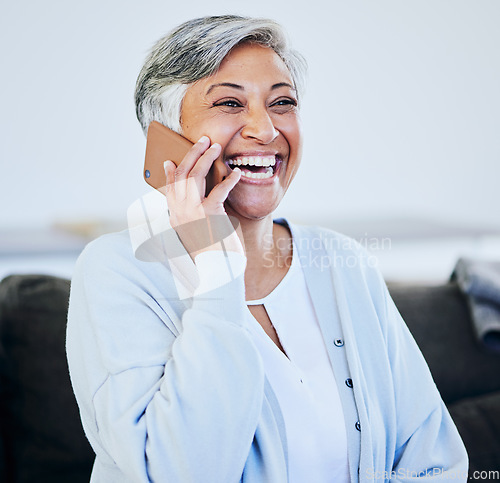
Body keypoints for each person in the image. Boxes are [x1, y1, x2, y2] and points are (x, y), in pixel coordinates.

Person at [66, 15, 468, 483]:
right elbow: (182, 472)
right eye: (230, 103)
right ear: (165, 137)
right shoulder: (116, 271)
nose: (265, 129)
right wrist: (215, 271)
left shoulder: (342, 262)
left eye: (282, 102)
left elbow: (438, 462)